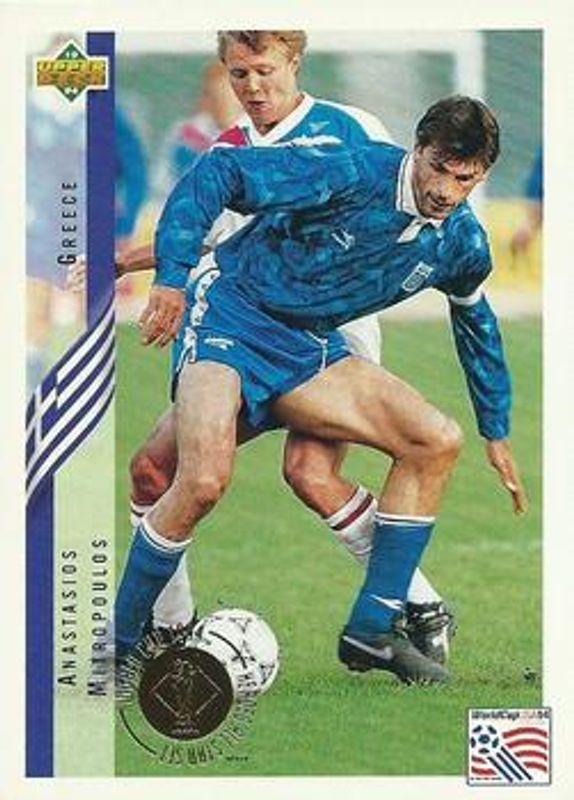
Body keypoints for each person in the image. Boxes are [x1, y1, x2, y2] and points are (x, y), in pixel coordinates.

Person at [114, 94, 527, 685]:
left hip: (308, 347)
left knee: (436, 439)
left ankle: (373, 630)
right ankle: (120, 647)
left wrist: (496, 427)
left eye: (464, 179)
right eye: (438, 168)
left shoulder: (462, 242)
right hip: (231, 313)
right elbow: (221, 172)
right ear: (418, 149)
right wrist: (172, 278)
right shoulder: (353, 169)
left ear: (481, 175)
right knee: (199, 480)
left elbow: (474, 319)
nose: (445, 190)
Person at [510, 146, 543, 255]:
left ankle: (518, 254)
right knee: (532, 223)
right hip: (538, 188)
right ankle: (516, 252)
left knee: (533, 223)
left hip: (536, 187)